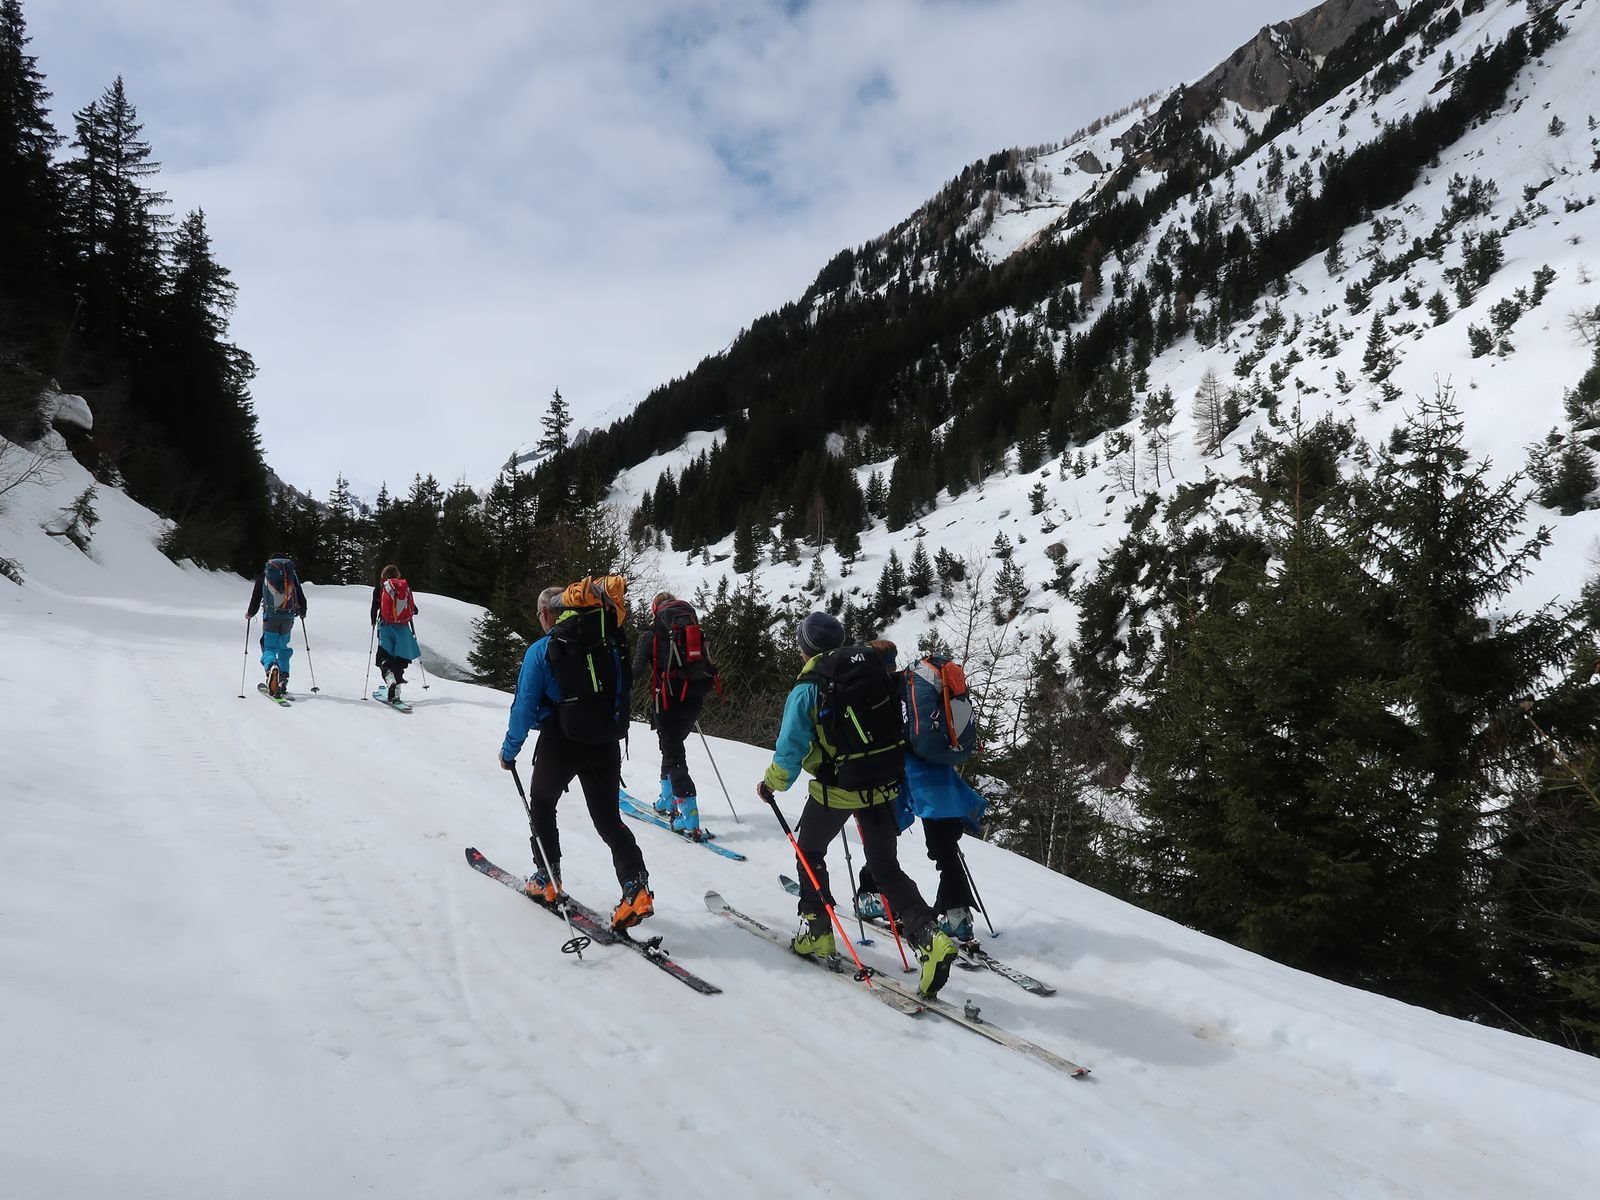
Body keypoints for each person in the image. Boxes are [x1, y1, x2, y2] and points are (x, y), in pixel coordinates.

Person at [756, 612, 958, 998]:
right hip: (885, 784)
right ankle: (930, 938)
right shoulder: (875, 669)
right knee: (885, 867)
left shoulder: (810, 686)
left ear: (805, 648)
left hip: (838, 787)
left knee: (810, 850)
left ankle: (816, 930)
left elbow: (790, 750)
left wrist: (771, 785)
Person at [498, 585, 653, 932]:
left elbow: (523, 708)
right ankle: (637, 888)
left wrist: (510, 752)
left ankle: (547, 878)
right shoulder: (605, 641)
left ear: (546, 614)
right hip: (605, 740)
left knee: (541, 804)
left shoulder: (543, 650)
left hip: (561, 742)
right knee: (609, 820)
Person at [856, 640, 987, 945]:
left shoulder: (883, 690)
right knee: (944, 847)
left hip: (904, 775)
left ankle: (873, 896)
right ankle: (958, 915)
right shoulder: (917, 685)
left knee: (882, 841)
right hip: (941, 775)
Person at [632, 591, 717, 837]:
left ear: (655, 610)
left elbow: (636, 671)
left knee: (674, 754)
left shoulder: (650, 635)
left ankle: (689, 817)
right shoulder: (692, 631)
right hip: (694, 698)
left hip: (667, 700)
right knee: (670, 747)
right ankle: (667, 799)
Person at [245, 552, 306, 697]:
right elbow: (300, 595)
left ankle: (271, 667)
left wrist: (250, 613)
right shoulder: (292, 575)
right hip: (288, 617)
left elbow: (256, 597)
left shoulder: (265, 575)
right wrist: (303, 612)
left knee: (269, 647)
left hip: (270, 617)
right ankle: (283, 677)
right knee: (283, 647)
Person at [370, 564, 421, 704]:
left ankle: (389, 677)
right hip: (403, 629)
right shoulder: (405, 588)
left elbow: (374, 608)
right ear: (397, 575)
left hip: (386, 627)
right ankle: (396, 692)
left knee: (384, 657)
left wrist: (373, 621)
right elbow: (414, 610)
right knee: (400, 659)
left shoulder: (380, 589)